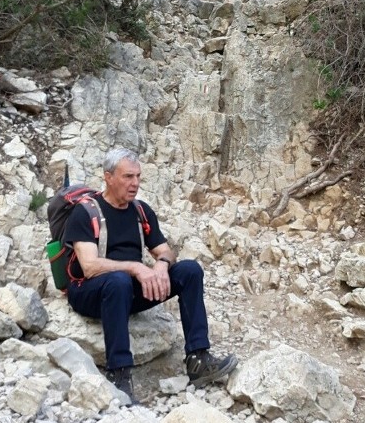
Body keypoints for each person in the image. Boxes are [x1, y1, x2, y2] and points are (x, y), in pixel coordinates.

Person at [63, 147, 238, 403]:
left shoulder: (140, 211)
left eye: (138, 177)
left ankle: (198, 358)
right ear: (108, 177)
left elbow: (165, 250)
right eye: (127, 177)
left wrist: (160, 266)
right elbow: (89, 266)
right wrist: (135, 267)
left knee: (189, 270)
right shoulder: (86, 212)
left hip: (124, 290)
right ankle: (119, 373)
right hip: (88, 292)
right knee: (119, 280)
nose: (134, 183)